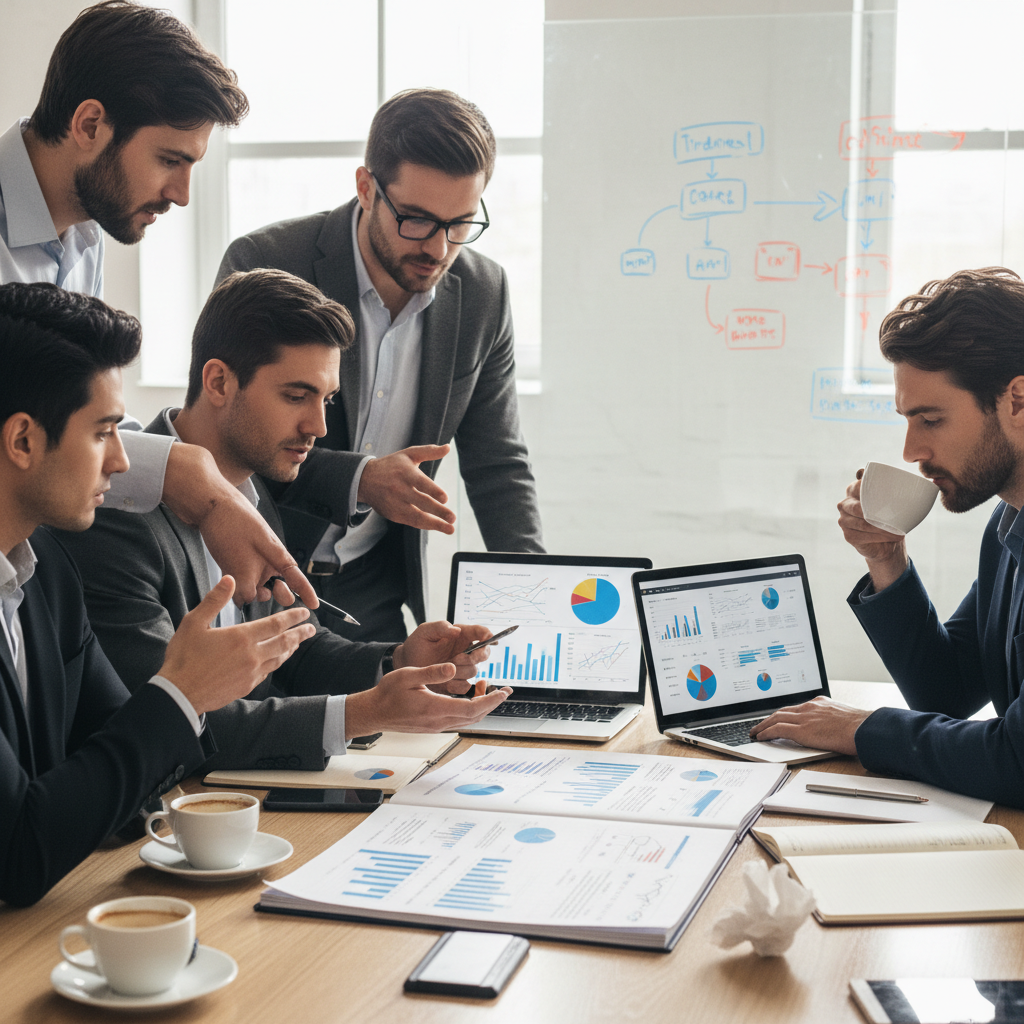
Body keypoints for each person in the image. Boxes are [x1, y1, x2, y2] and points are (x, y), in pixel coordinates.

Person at [57, 269, 512, 772]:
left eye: (327, 399)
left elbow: (295, 647)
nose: (318, 426)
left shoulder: (256, 490)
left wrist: (399, 661)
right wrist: (364, 713)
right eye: (296, 396)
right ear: (219, 382)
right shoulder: (118, 518)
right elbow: (171, 720)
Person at [0, 281, 316, 906]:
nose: (122, 463)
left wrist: (171, 705)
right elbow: (19, 853)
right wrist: (181, 692)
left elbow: (130, 798)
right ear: (23, 441)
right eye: (102, 433)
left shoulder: (47, 574)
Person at [0, 0, 317, 610]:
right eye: (170, 160)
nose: (181, 193)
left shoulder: (85, 231)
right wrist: (185, 474)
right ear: (89, 125)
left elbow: (69, 412)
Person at [218, 87, 544, 643]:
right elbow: (228, 437)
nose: (439, 249)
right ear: (366, 188)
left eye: (460, 223)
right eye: (416, 220)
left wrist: (541, 593)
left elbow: (498, 465)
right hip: (254, 580)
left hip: (373, 590)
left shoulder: (484, 293)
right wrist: (360, 479)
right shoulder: (266, 264)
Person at [751, 267, 1024, 808]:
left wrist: (860, 728)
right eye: (907, 419)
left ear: (1017, 400)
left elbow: (1017, 762)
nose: (911, 450)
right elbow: (946, 695)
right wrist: (886, 558)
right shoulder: (1007, 528)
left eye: (930, 419)